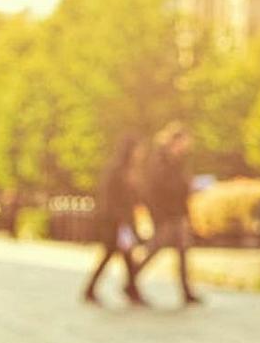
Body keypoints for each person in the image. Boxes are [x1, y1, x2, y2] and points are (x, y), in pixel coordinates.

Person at [134, 123, 202, 306]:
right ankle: (131, 279)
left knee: (182, 252)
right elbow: (154, 190)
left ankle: (187, 292)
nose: (185, 147)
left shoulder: (178, 162)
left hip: (177, 214)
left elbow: (181, 191)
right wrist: (158, 215)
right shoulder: (159, 161)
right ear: (174, 141)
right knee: (154, 249)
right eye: (183, 143)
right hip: (165, 215)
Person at [82, 134, 147, 306]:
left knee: (123, 256)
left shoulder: (130, 170)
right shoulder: (117, 171)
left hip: (123, 221)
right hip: (115, 222)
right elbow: (110, 198)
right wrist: (119, 220)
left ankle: (130, 289)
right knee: (114, 254)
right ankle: (129, 290)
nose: (141, 153)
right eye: (138, 149)